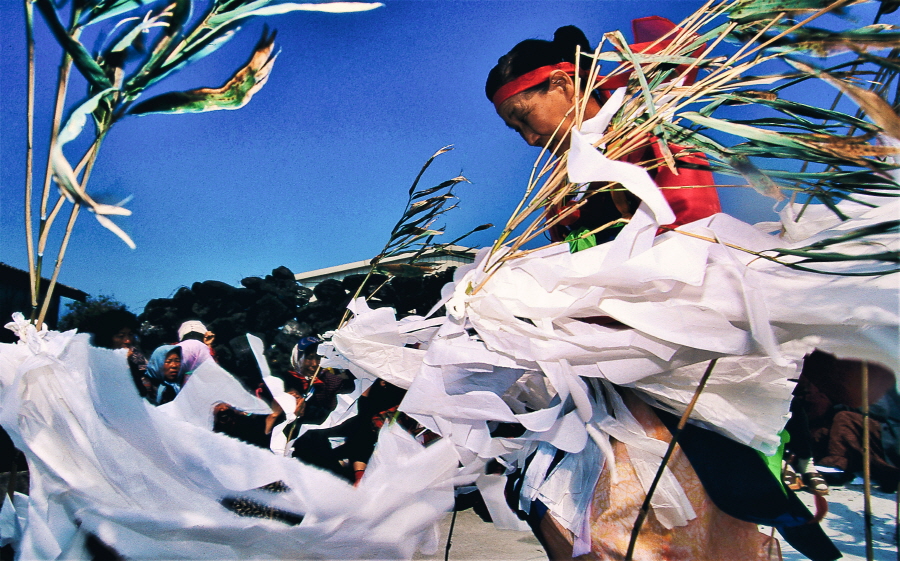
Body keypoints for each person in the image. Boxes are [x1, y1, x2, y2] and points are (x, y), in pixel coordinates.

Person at [485, 21, 839, 561]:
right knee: (558, 502)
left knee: (677, 511)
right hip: (608, 359)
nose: (529, 139)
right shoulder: (564, 182)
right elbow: (573, 259)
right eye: (516, 132)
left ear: (561, 83)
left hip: (679, 342)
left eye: (523, 119)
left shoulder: (644, 127)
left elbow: (691, 233)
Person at [84, 309, 150, 398]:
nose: (128, 340)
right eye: (120, 336)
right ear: (107, 338)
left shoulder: (135, 361)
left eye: (130, 334)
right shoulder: (95, 364)